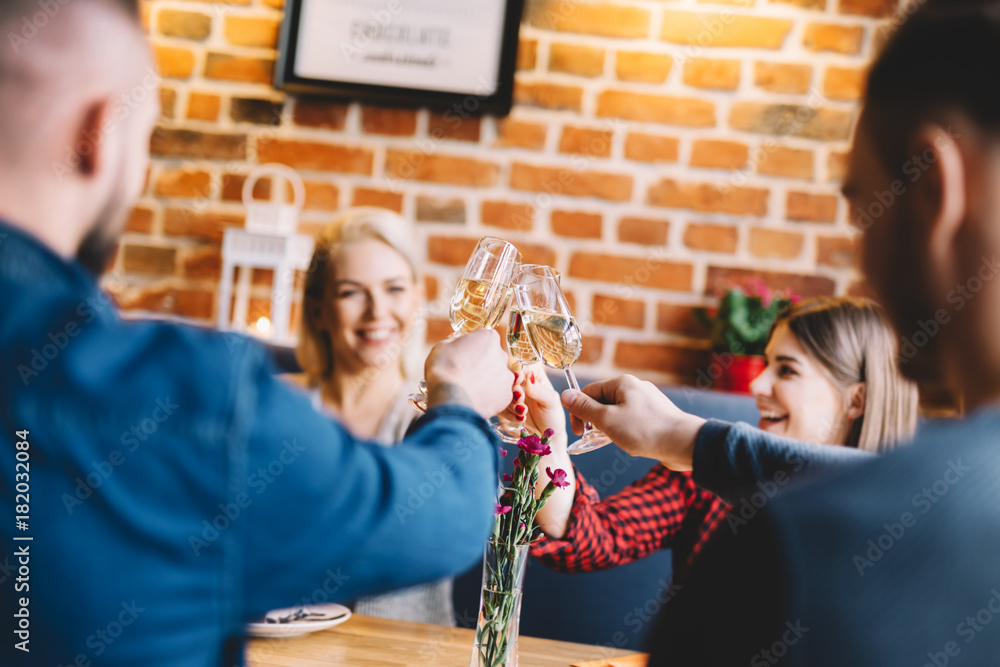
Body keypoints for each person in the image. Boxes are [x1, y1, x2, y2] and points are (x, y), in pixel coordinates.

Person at [0, 2, 515, 665]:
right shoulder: (185, 397)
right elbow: (439, 519)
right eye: (147, 140)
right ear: (99, 134)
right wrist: (460, 397)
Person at [559, 1, 1000, 664]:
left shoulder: (795, 546)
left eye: (863, 209)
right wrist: (687, 440)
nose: (865, 268)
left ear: (932, 190)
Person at [520, 297, 917, 581]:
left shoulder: (907, 525)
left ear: (856, 400)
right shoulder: (701, 474)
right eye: (766, 364)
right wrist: (547, 435)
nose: (759, 383)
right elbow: (593, 538)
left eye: (787, 370)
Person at [283, 207, 452, 625]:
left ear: (416, 297)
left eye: (394, 289)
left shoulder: (440, 416)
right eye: (351, 292)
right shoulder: (277, 404)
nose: (377, 311)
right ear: (319, 310)